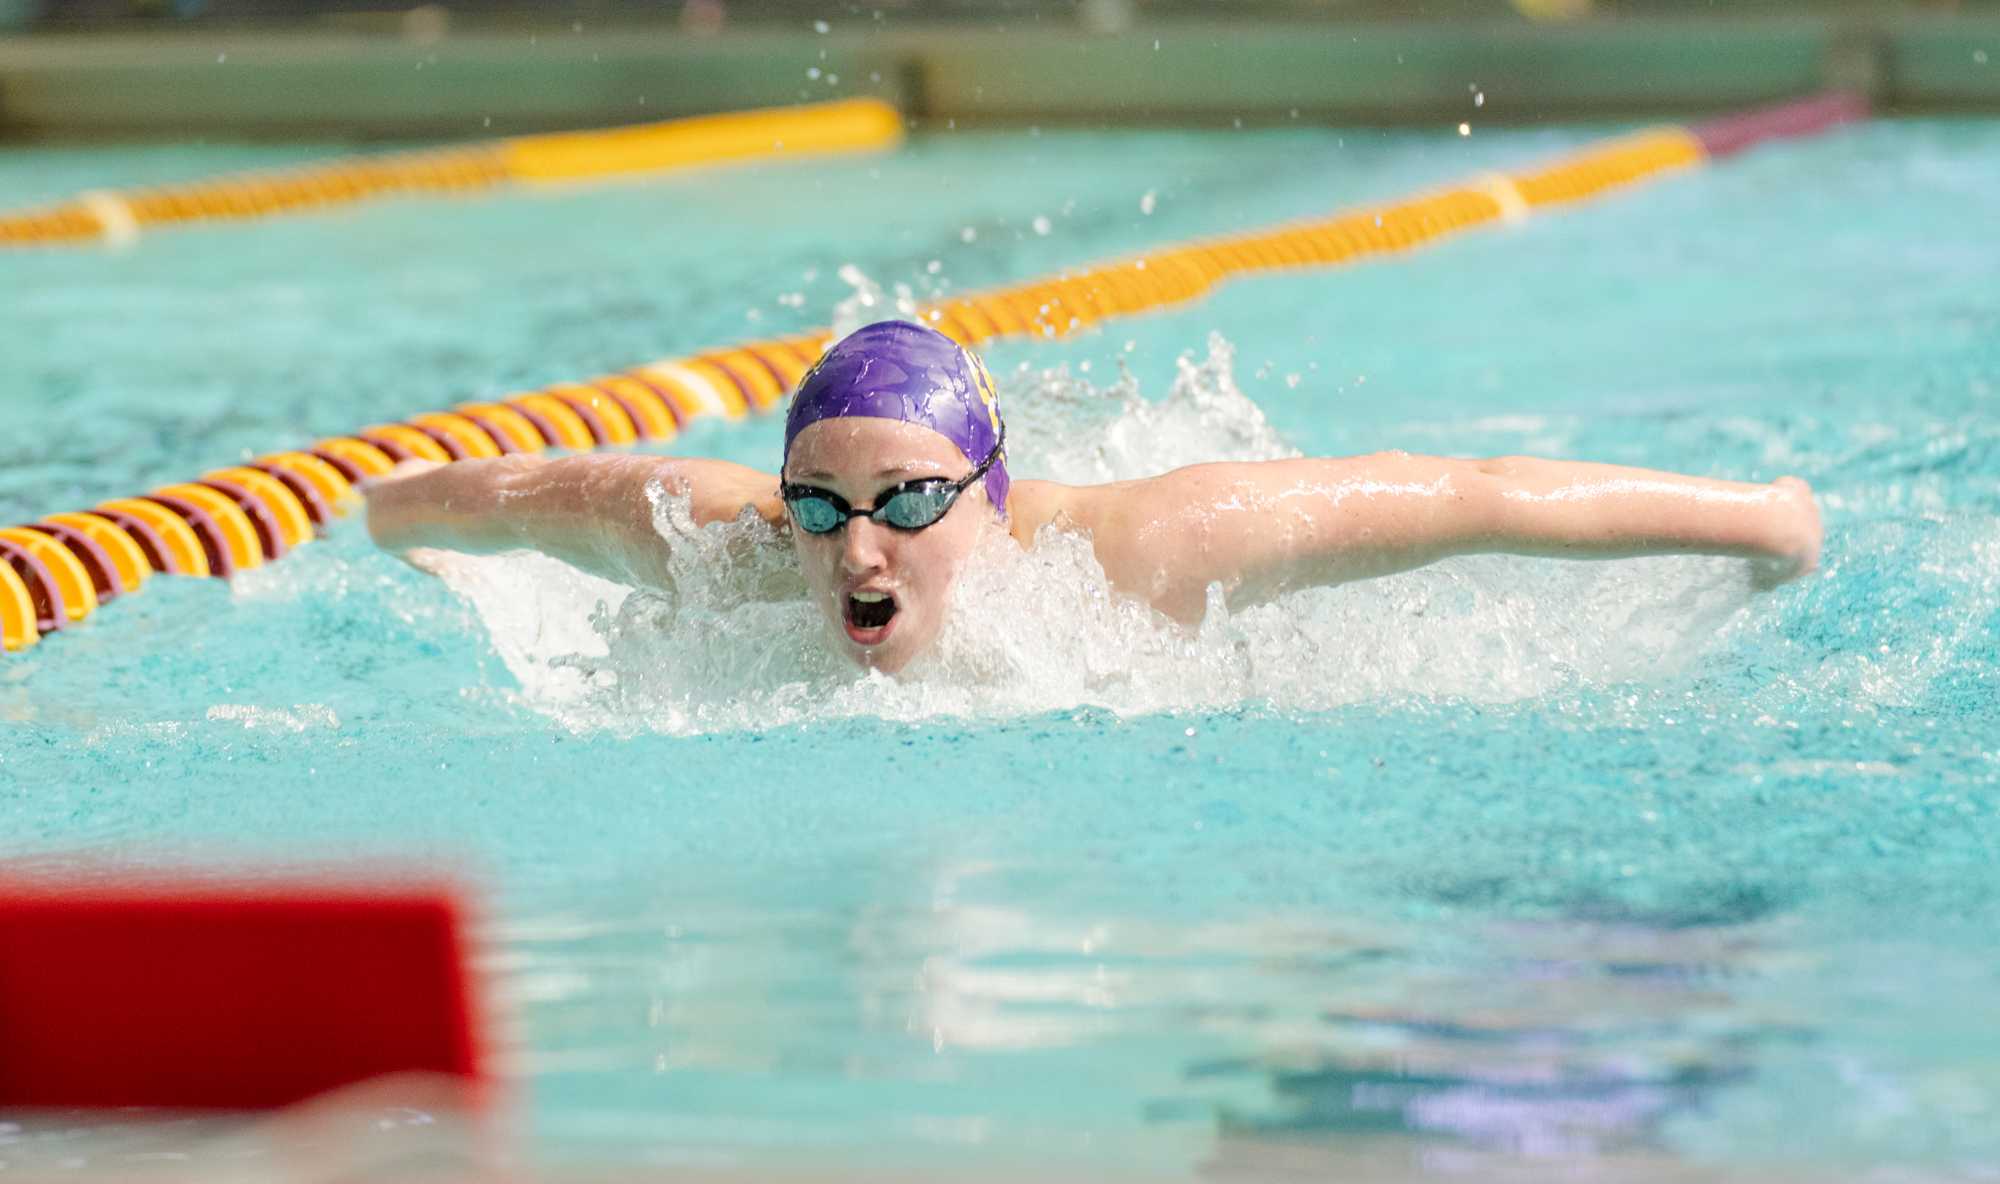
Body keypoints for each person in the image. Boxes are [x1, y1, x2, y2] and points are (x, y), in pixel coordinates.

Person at [366, 320, 1823, 676]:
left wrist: (1765, 516)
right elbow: (517, 493)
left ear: (990, 499)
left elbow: (1480, 495)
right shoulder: (739, 545)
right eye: (820, 504)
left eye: (908, 502)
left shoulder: (1148, 555)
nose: (855, 548)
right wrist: (381, 515)